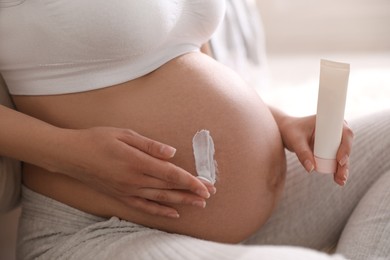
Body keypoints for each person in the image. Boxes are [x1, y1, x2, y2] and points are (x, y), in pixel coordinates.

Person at [0, 1, 388, 259]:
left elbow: (183, 57)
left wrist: (279, 121)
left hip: (254, 210)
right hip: (97, 229)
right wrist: (70, 152)